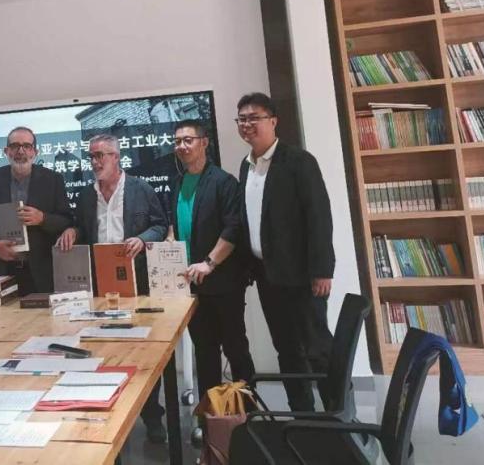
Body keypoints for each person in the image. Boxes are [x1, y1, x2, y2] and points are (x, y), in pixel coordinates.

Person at [56, 133, 170, 443]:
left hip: (137, 285)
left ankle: (152, 416)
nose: (95, 162)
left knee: (144, 353)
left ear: (116, 158)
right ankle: (109, 416)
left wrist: (143, 238)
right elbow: (82, 227)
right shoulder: (86, 195)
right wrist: (72, 229)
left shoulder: (141, 189)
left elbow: (161, 225)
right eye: (91, 156)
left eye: (101, 155)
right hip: (100, 288)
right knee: (104, 352)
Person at [236, 92, 335, 412]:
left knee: (317, 348)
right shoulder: (246, 167)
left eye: (255, 118)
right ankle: (302, 413)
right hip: (268, 275)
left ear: (273, 121)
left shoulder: (298, 162)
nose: (247, 124)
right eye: (242, 119)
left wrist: (322, 270)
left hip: (303, 276)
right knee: (287, 349)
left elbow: (319, 217)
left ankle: (337, 414)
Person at [170, 119, 255, 404]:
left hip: (224, 283)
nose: (182, 146)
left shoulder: (223, 182)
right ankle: (211, 415)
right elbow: (178, 226)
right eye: (178, 141)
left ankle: (248, 412)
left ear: (204, 142)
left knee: (235, 348)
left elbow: (233, 228)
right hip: (193, 285)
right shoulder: (179, 183)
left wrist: (209, 262)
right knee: (204, 352)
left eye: (188, 140)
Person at [0, 126, 73, 294]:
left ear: (35, 152)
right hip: (1, 270)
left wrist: (42, 218)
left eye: (27, 146)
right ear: (6, 151)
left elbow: (67, 221)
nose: (21, 151)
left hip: (41, 272)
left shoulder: (53, 180)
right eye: (15, 146)